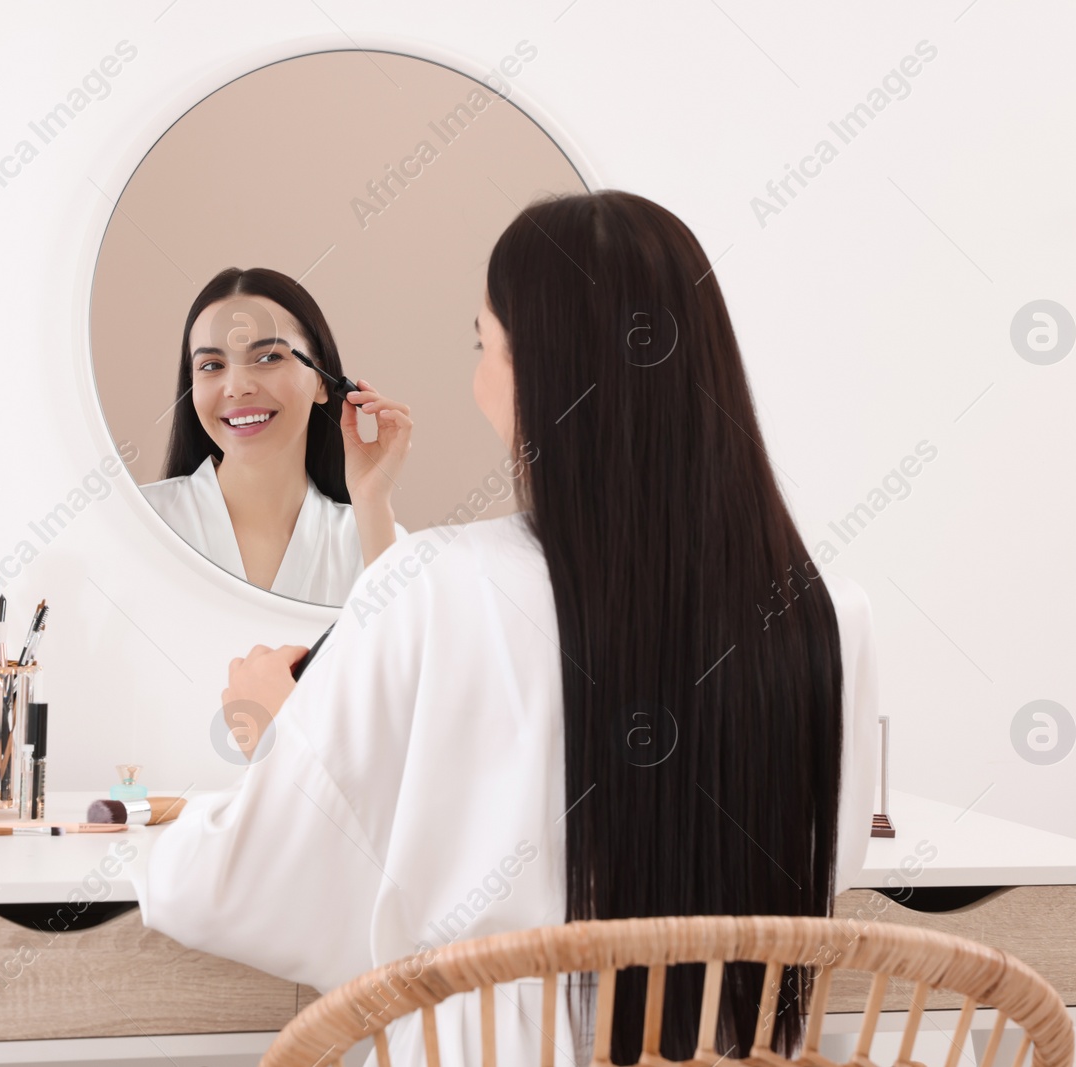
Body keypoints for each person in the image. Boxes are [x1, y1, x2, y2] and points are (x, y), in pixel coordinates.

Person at [132, 192, 879, 1065]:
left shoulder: (441, 584)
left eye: (482, 342)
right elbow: (830, 863)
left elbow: (247, 886)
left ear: (539, 370)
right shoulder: (828, 614)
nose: (479, 369)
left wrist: (273, 738)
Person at [139, 267, 412, 604]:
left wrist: (371, 502)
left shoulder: (373, 538)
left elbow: (403, 652)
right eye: (211, 365)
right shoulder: (136, 520)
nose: (237, 388)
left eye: (269, 357)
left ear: (323, 380)